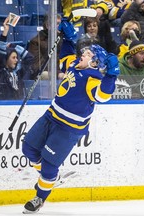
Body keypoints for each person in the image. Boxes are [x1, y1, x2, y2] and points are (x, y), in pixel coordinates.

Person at [21, 18, 120, 214]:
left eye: (88, 53)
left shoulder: (93, 79)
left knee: (49, 165)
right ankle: (50, 177)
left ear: (94, 62)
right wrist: (68, 38)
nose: (83, 53)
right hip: (51, 116)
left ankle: (40, 197)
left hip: (69, 128)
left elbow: (103, 97)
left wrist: (111, 75)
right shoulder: (76, 64)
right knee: (29, 149)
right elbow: (66, 56)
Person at [0, 16, 34, 100]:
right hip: (2, 105)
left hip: (17, 104)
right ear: (6, 59)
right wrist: (5, 32)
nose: (16, 60)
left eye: (17, 57)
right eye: (13, 57)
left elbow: (30, 58)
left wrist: (13, 46)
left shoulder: (18, 73)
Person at [27, 14, 64, 80]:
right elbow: (37, 65)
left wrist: (59, 73)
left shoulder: (57, 39)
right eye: (57, 23)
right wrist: (57, 74)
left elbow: (56, 63)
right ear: (48, 25)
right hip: (40, 73)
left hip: (53, 72)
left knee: (67, 77)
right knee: (47, 75)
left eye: (59, 24)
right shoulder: (35, 41)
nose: (59, 26)